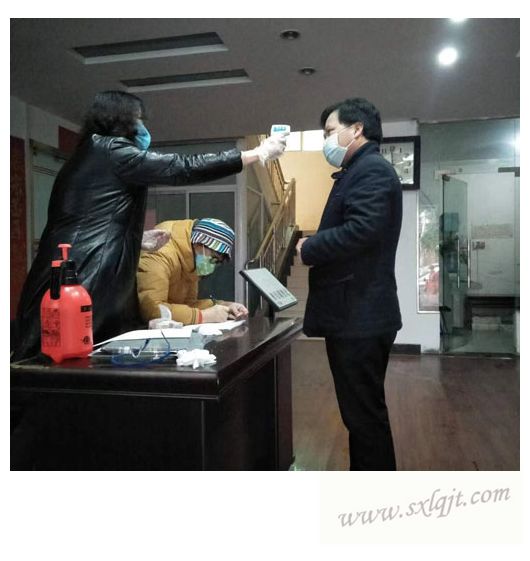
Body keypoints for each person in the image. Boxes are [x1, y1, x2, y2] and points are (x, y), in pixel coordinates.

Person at [11, 90, 285, 361]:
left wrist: (135, 239)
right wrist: (256, 154)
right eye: (139, 119)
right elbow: (181, 167)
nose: (143, 128)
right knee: (69, 362)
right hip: (84, 275)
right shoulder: (110, 149)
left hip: (79, 268)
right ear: (120, 119)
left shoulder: (91, 153)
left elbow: (91, 219)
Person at [297, 97, 402, 471]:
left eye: (330, 131)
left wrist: (310, 246)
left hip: (360, 314)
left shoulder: (371, 170)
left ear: (356, 129)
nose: (326, 140)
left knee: (364, 419)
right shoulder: (360, 169)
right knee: (362, 417)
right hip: (356, 314)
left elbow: (362, 230)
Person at [137, 218, 248, 325]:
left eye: (217, 262)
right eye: (213, 258)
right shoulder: (160, 252)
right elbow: (153, 310)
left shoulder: (190, 261)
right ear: (199, 243)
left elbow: (187, 305)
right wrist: (203, 316)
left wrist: (224, 306)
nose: (212, 265)